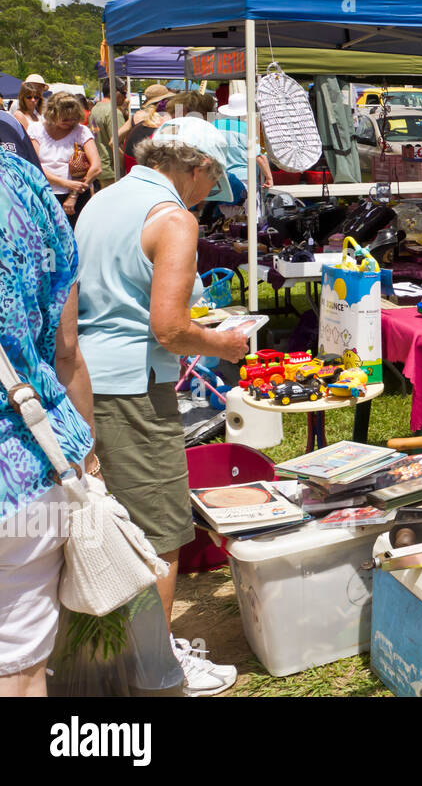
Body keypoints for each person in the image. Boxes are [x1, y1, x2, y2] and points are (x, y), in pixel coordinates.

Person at [75, 130, 249, 696]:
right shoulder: (174, 218)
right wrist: (223, 345)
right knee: (158, 532)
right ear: (196, 167)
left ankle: (113, 659)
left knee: (103, 525)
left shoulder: (103, 199)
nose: (209, 195)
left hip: (82, 380)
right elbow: (170, 327)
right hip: (132, 386)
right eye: (213, 181)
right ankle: (155, 669)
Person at [0, 151, 96, 697]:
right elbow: (65, 348)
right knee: (17, 662)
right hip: (22, 463)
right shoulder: (18, 181)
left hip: (23, 461)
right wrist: (84, 454)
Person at [28, 91, 99, 224]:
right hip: (44, 194)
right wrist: (65, 183)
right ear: (52, 115)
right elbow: (33, 167)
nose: (70, 123)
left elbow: (96, 167)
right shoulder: (36, 130)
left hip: (76, 199)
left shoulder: (81, 131)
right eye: (65, 119)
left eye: (73, 118)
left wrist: (73, 194)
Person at [214, 92, 273, 193]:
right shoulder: (247, 129)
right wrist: (269, 177)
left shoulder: (214, 125)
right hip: (244, 179)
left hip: (220, 179)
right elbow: (259, 156)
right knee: (248, 208)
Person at [89, 78, 131, 189]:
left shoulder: (95, 109)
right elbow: (118, 143)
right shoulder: (113, 112)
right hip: (113, 170)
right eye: (124, 93)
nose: (125, 97)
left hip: (100, 167)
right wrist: (126, 168)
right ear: (115, 91)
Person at [121, 85, 175, 164]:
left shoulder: (136, 116)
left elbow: (113, 142)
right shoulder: (165, 120)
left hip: (133, 166)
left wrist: (125, 159)